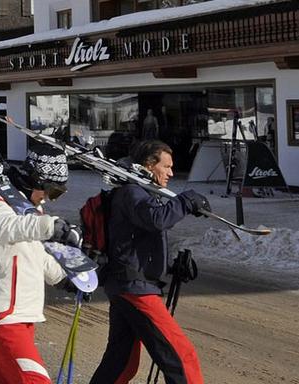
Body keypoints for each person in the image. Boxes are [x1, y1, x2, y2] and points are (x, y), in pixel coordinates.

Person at [89, 140, 210, 384]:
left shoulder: (136, 192)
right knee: (182, 358)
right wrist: (186, 201)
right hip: (135, 289)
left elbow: (136, 238)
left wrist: (167, 266)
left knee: (121, 362)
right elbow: (156, 219)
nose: (171, 173)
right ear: (149, 165)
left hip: (128, 284)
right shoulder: (132, 192)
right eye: (166, 167)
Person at [0, 146, 82, 384]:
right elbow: (7, 229)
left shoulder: (31, 209)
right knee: (34, 379)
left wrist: (63, 279)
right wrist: (51, 227)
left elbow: (35, 253)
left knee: (0, 379)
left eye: (57, 194)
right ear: (35, 181)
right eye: (50, 191)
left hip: (23, 313)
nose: (47, 198)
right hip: (3, 314)